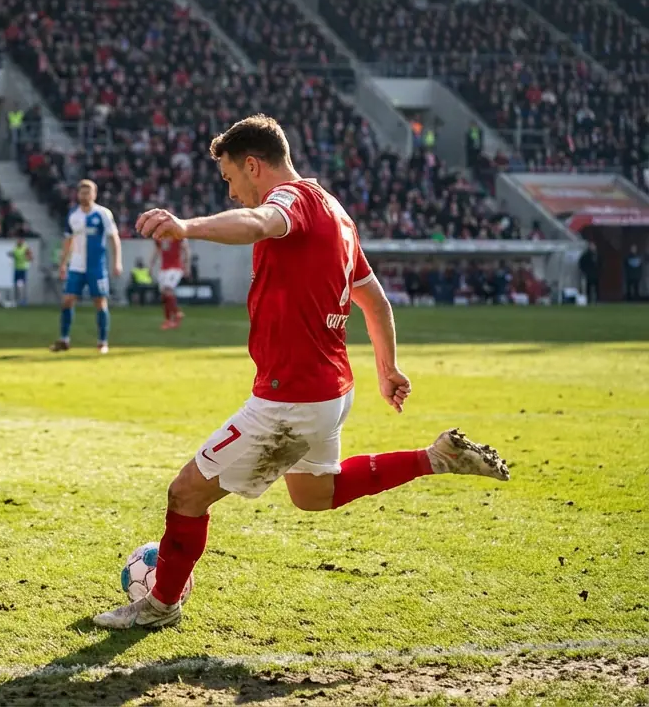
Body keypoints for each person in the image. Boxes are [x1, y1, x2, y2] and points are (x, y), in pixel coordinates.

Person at [93, 114, 509, 630]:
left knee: (186, 493)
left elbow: (259, 223)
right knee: (316, 494)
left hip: (289, 399)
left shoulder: (291, 202)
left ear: (253, 165)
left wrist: (187, 227)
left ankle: (159, 605)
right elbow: (374, 302)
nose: (232, 192)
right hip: (331, 392)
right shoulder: (336, 211)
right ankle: (435, 458)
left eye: (229, 180)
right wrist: (388, 368)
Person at [51, 179, 122, 354]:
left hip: (96, 267)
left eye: (88, 192)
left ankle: (102, 342)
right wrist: (62, 264)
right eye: (82, 192)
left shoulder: (103, 214)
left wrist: (117, 261)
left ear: (94, 194)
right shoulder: (73, 215)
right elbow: (68, 241)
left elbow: (114, 238)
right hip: (76, 266)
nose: (85, 195)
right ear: (78, 194)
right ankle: (64, 339)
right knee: (67, 301)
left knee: (100, 302)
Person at [153, 236, 189, 329]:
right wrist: (151, 264)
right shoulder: (159, 235)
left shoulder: (177, 233)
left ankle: (176, 314)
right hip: (163, 269)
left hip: (175, 268)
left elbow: (185, 249)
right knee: (164, 295)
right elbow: (157, 250)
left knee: (167, 290)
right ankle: (169, 319)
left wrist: (186, 265)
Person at [9, 237, 34, 306]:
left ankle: (23, 300)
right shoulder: (15, 248)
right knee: (16, 286)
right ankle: (16, 300)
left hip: (23, 269)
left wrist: (28, 257)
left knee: (21, 285)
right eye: (18, 240)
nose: (19, 241)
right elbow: (11, 254)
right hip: (16, 269)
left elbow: (31, 258)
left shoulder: (25, 248)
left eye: (20, 240)